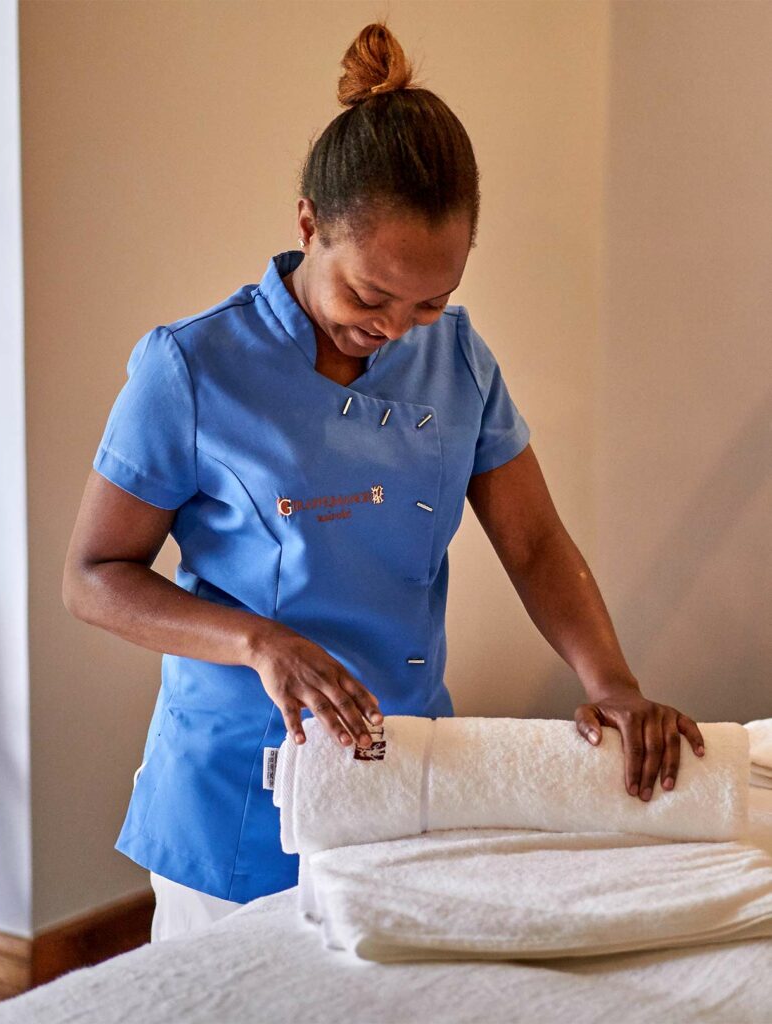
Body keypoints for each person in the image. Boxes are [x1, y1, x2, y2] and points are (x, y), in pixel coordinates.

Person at [62, 20, 706, 942]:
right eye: (369, 296)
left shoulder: (458, 359)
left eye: (430, 301)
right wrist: (258, 642)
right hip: (239, 785)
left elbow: (531, 540)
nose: (398, 328)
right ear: (307, 226)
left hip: (402, 768)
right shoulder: (193, 369)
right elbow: (91, 577)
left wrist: (610, 682)